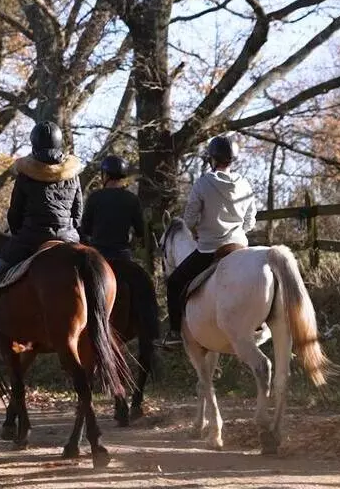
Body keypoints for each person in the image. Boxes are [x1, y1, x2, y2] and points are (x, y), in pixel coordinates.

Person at [0, 121, 83, 331]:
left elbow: (15, 213)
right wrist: (69, 230)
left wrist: (18, 233)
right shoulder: (72, 173)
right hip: (69, 237)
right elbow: (78, 212)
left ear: (34, 144)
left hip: (31, 238)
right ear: (59, 143)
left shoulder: (27, 173)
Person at [160, 135, 257, 348]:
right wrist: (236, 232)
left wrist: (199, 231)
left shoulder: (203, 183)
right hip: (240, 247)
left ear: (212, 159)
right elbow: (251, 221)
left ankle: (175, 333)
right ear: (233, 159)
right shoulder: (244, 183)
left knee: (175, 282)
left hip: (209, 249)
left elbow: (189, 220)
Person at [80, 155, 145, 262]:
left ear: (105, 175)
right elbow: (140, 231)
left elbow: (85, 229)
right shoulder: (132, 199)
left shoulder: (94, 197)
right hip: (122, 254)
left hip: (98, 255)